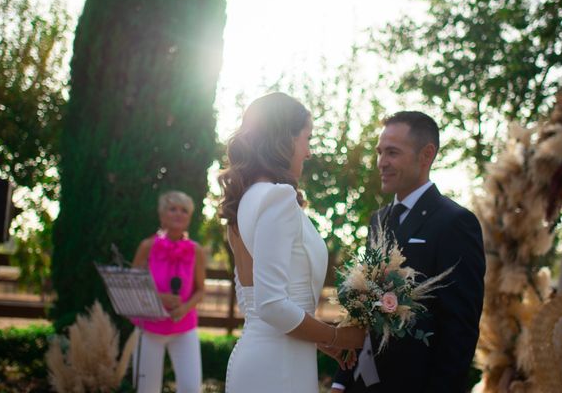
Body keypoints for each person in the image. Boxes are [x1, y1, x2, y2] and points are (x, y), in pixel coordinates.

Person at [219, 92, 365, 393]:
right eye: (307, 138)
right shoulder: (278, 197)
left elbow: (251, 297)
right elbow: (271, 305)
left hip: (266, 357)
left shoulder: (243, 200)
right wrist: (335, 336)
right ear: (285, 139)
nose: (309, 152)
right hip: (278, 368)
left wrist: (316, 337)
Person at [331, 111, 486, 393]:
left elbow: (460, 330)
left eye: (392, 152)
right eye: (379, 152)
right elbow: (362, 311)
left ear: (426, 155)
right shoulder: (379, 219)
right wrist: (342, 380)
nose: (381, 163)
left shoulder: (455, 223)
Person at [131, 190, 206, 393]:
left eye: (184, 210)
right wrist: (158, 298)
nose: (178, 214)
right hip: (150, 328)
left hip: (184, 328)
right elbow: (132, 286)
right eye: (173, 209)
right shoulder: (147, 247)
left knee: (191, 388)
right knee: (147, 389)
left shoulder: (196, 250)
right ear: (162, 215)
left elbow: (201, 290)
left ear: (189, 218)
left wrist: (184, 308)